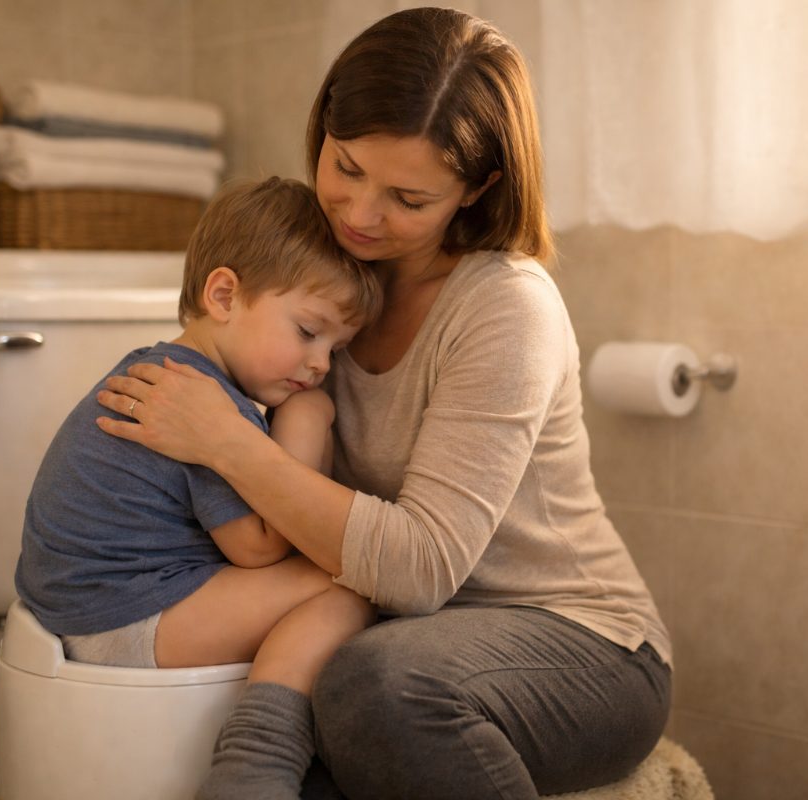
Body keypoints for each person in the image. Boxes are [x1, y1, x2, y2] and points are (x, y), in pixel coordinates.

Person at [94, 7, 672, 800]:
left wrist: (226, 443)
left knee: (378, 687)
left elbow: (423, 568)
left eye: (408, 196)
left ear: (478, 189)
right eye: (347, 167)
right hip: (398, 630)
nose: (361, 215)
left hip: (579, 644)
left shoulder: (506, 307)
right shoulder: (315, 277)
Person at [15, 177, 382, 798]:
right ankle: (254, 758)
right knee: (354, 581)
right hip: (124, 619)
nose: (321, 364)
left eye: (336, 348)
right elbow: (261, 548)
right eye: (307, 331)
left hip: (78, 607)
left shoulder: (162, 366)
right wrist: (304, 422)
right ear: (223, 295)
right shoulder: (202, 403)